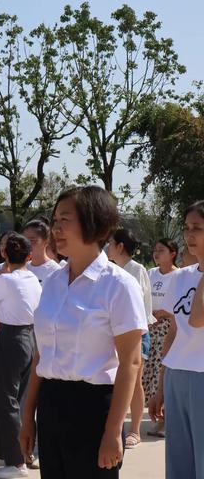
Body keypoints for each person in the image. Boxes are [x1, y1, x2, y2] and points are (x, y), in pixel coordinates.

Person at [20, 186, 147, 479]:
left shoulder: (118, 285)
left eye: (66, 220)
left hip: (93, 410)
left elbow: (130, 362)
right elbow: (43, 353)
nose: (56, 229)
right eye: (54, 221)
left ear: (94, 223)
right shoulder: (52, 282)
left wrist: (114, 431)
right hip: (51, 405)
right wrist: (28, 416)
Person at [149, 200, 204, 479]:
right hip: (177, 375)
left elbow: (197, 319)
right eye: (187, 228)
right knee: (179, 462)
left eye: (198, 228)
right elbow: (173, 333)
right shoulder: (180, 278)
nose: (189, 235)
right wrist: (160, 385)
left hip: (202, 376)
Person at [0, 233, 41, 479]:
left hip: (10, 337)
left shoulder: (7, 279)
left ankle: (17, 462)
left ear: (5, 254)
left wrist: (2, 268)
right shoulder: (33, 279)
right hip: (30, 337)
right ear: (29, 256)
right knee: (18, 398)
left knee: (6, 401)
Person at [107, 228, 153, 449]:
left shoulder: (138, 270)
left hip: (137, 333)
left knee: (134, 382)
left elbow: (141, 308)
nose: (107, 247)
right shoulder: (111, 270)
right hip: (114, 335)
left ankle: (134, 430)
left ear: (120, 247)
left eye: (110, 243)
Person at [144, 239, 179, 438]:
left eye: (161, 250)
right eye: (155, 250)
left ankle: (166, 420)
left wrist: (163, 313)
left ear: (172, 253)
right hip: (150, 326)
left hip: (167, 328)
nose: (156, 254)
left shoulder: (179, 276)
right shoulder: (150, 274)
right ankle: (157, 415)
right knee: (150, 373)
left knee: (161, 371)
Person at [22, 220, 61, 285]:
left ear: (46, 241)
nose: (27, 245)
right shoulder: (23, 268)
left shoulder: (55, 271)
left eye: (32, 240)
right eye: (24, 241)